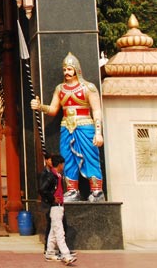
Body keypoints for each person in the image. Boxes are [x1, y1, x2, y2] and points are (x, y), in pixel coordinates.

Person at [31, 52, 104, 202]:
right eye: (64, 70)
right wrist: (40, 107)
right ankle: (72, 191)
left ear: (77, 70)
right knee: (67, 159)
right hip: (66, 127)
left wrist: (98, 133)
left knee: (90, 156)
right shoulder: (60, 89)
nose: (67, 72)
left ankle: (97, 191)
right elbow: (53, 110)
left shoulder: (88, 87)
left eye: (70, 69)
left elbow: (96, 110)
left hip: (85, 126)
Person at [38, 155, 76, 265]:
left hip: (59, 206)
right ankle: (66, 255)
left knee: (53, 232)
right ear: (59, 164)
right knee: (59, 232)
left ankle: (50, 253)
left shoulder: (58, 176)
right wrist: (51, 198)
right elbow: (42, 189)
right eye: (63, 164)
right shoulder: (51, 176)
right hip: (54, 207)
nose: (64, 166)